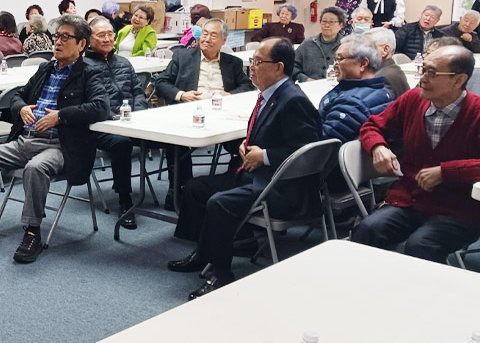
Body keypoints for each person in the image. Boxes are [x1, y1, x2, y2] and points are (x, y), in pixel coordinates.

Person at [169, 38, 322, 299]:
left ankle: (222, 274)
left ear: (278, 67)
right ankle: (204, 254)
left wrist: (266, 155)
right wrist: (248, 144)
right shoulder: (270, 94)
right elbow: (273, 134)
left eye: (257, 62)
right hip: (258, 175)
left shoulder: (292, 99)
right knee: (195, 188)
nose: (251, 67)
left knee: (220, 203)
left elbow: (311, 149)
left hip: (282, 186)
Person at [0, 15, 109, 264]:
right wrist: (21, 108)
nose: (57, 42)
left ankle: (32, 231)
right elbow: (18, 96)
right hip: (27, 139)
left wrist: (61, 117)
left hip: (61, 145)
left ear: (81, 45)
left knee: (35, 168)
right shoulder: (45, 68)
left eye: (66, 37)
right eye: (57, 36)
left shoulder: (91, 72)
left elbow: (101, 107)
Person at [351, 46, 480, 263]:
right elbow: (372, 126)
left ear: (458, 80)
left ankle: (425, 295)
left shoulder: (476, 112)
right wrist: (378, 148)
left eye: (431, 73)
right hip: (411, 199)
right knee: (368, 230)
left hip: (459, 207)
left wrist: (446, 172)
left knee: (421, 245)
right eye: (423, 70)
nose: (422, 79)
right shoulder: (413, 100)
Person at [153, 19, 253, 210]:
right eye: (204, 34)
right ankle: (178, 190)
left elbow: (247, 86)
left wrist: (230, 95)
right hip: (189, 112)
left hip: (224, 115)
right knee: (177, 145)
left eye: (213, 35)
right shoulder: (182, 57)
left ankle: (232, 189)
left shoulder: (233, 62)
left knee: (244, 144)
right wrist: (182, 95)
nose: (206, 38)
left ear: (224, 40)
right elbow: (161, 82)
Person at [84, 16, 149, 228]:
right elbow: (91, 104)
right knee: (121, 143)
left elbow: (139, 93)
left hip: (133, 120)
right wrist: (115, 117)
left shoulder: (123, 62)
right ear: (88, 39)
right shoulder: (83, 66)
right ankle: (125, 200)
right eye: (101, 35)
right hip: (101, 126)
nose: (107, 39)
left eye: (110, 34)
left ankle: (176, 193)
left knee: (175, 139)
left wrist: (137, 113)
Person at [319, 34, 392, 145]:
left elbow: (323, 144)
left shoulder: (351, 103)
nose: (334, 65)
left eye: (339, 59)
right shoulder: (384, 92)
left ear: (363, 63)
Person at [293, 6, 345, 81]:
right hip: (310, 87)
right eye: (324, 22)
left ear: (341, 25)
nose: (327, 25)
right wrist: (305, 79)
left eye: (331, 22)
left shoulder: (346, 45)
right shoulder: (308, 44)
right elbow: (293, 66)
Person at [363, 27, 411, 99]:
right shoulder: (393, 69)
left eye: (367, 47)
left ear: (385, 50)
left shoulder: (380, 78)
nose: (361, 52)